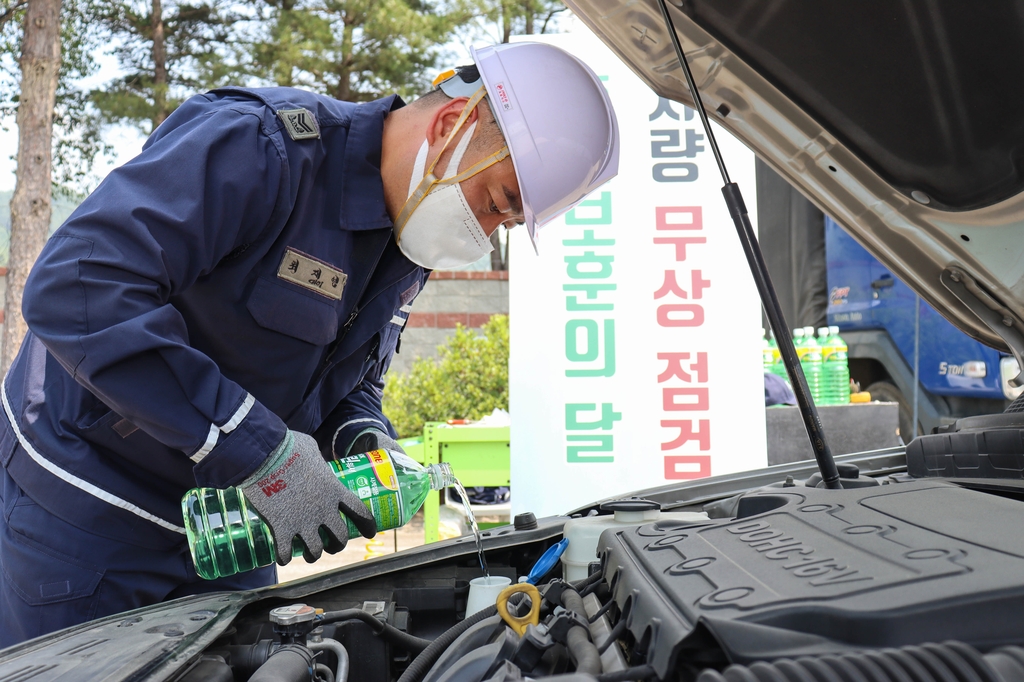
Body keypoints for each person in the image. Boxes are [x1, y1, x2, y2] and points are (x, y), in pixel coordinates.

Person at [0, 42, 619, 646]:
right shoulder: (262, 149)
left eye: (505, 224)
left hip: (232, 532)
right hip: (89, 513)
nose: (483, 233)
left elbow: (349, 376)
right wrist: (260, 453)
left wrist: (363, 441)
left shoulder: (411, 237)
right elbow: (77, 287)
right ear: (454, 124)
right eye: (495, 203)